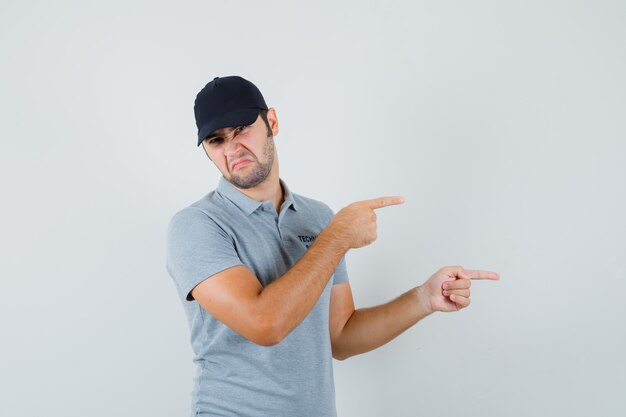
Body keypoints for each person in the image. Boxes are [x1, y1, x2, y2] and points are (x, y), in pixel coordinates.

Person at [166, 75, 500, 417]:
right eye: (216, 140)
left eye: (241, 128)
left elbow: (340, 336)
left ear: (272, 122)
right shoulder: (196, 225)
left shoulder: (316, 217)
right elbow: (265, 324)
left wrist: (423, 298)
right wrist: (337, 237)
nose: (232, 148)